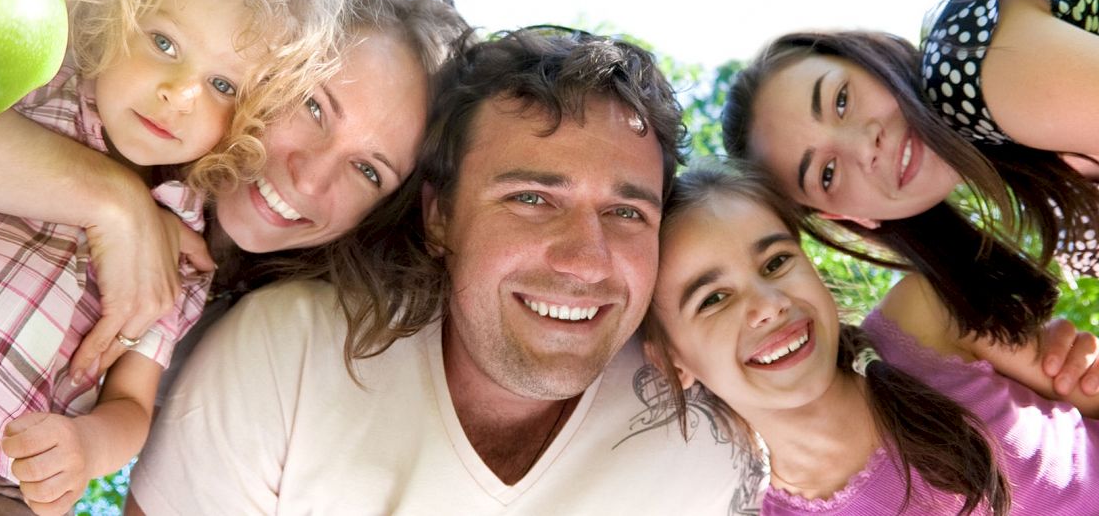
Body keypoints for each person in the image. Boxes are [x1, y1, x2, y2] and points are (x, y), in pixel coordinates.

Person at [125, 27, 760, 515]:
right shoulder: (287, 356)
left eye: (626, 212)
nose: (586, 260)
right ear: (439, 219)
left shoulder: (708, 444)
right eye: (532, 199)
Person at [0, 0, 346, 514]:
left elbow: (131, 405)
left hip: (10, 478)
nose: (179, 93)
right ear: (114, 18)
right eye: (164, 42)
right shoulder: (29, 91)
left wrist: (84, 446)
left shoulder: (183, 248)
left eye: (221, 84)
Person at [643, 159, 1099, 515]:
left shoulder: (922, 316)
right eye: (713, 298)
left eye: (776, 262)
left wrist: (1082, 365)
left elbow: (1088, 389)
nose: (770, 305)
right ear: (671, 361)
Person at [722, 0, 1099, 288]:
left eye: (842, 100)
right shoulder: (1056, 211)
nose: (865, 146)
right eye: (827, 173)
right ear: (851, 218)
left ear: (872, 57)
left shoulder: (963, 67)